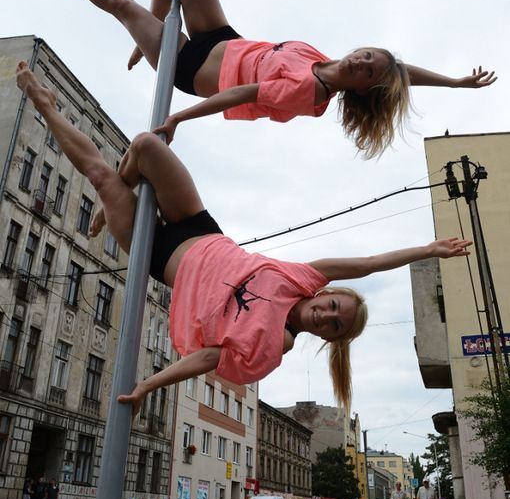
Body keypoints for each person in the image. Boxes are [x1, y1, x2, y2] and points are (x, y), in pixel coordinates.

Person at [16, 62, 472, 410]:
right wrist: (429, 249)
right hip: (201, 228)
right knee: (147, 144)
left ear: (328, 338)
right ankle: (114, 200)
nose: (325, 316)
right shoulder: (302, 278)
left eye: (333, 325)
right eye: (333, 306)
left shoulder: (271, 349)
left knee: (100, 175)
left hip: (160, 257)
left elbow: (208, 359)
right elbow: (370, 263)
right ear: (325, 294)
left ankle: (45, 106)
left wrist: (148, 387)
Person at [19, 0, 496, 161]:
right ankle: (149, 32)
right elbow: (400, 69)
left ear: (365, 87)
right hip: (222, 37)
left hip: (193, 69)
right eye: (366, 53)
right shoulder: (322, 58)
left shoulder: (309, 92)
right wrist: (454, 82)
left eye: (367, 68)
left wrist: (183, 118)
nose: (361, 60)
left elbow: (242, 92)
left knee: (120, 6)